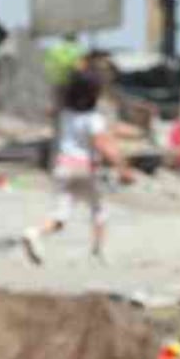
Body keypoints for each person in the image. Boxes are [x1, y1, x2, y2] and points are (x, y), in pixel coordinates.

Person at [23, 53, 135, 265]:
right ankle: (98, 251)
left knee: (61, 214)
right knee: (99, 209)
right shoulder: (93, 119)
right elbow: (104, 145)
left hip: (62, 167)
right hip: (84, 170)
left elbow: (54, 107)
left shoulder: (66, 115)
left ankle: (34, 233)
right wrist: (123, 168)